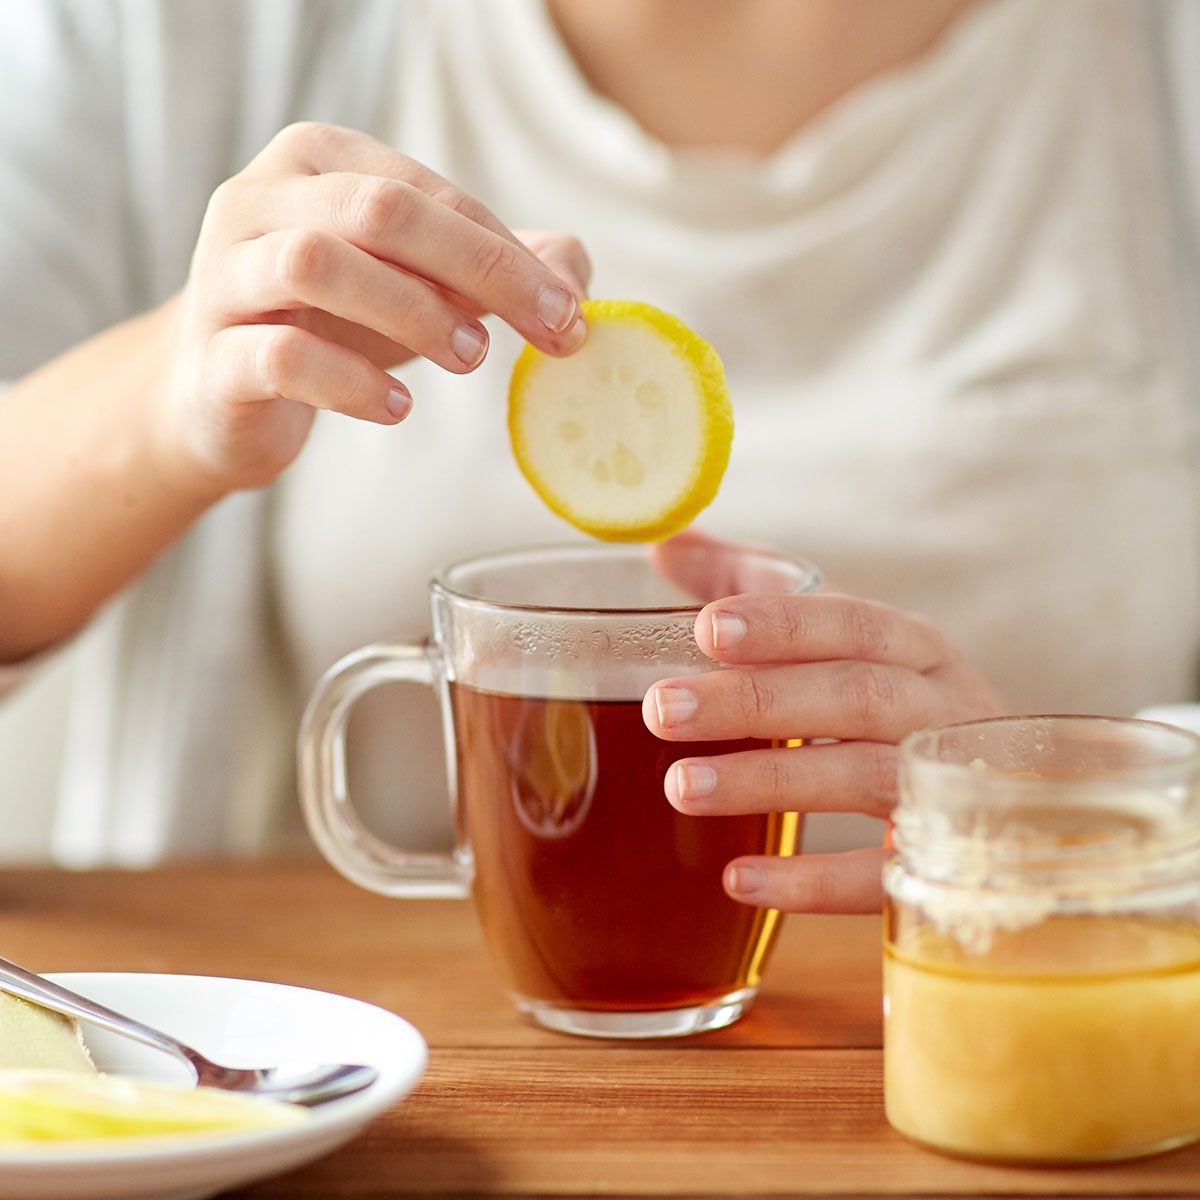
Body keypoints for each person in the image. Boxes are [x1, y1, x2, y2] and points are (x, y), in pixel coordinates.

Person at [0, 0, 1197, 913]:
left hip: (1020, 1058)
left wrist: (1102, 822)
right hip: (365, 1078)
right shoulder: (173, 32)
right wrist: (167, 402)